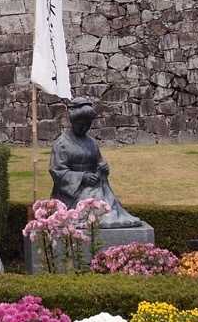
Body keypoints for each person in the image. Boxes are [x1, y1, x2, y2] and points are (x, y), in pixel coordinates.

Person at [49, 97, 141, 227]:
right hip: (72, 192)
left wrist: (103, 168)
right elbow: (57, 171)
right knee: (95, 201)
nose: (84, 128)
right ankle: (102, 218)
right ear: (73, 121)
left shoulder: (91, 142)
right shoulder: (61, 143)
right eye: (81, 124)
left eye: (88, 124)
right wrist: (83, 177)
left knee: (106, 199)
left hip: (95, 185)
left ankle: (111, 217)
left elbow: (99, 162)